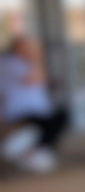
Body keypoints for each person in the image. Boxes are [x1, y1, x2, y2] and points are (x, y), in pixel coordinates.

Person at [0, 34, 68, 173]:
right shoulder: (9, 63)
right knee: (52, 122)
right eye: (29, 47)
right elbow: (33, 78)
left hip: (37, 112)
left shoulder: (23, 62)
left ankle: (34, 151)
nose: (32, 50)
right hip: (21, 113)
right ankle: (30, 152)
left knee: (59, 118)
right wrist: (36, 58)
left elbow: (42, 79)